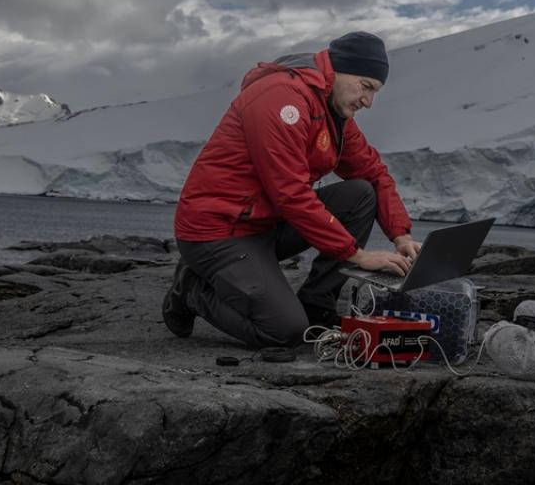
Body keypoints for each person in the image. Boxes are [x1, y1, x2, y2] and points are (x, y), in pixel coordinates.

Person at [162, 31, 423, 348]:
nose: (368, 101)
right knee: (283, 331)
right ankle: (191, 288)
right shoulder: (281, 97)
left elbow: (374, 172)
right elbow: (290, 193)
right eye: (366, 86)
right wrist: (357, 256)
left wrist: (401, 236)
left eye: (374, 92)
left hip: (266, 225)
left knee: (360, 194)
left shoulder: (331, 111)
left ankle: (316, 304)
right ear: (339, 70)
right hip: (218, 231)